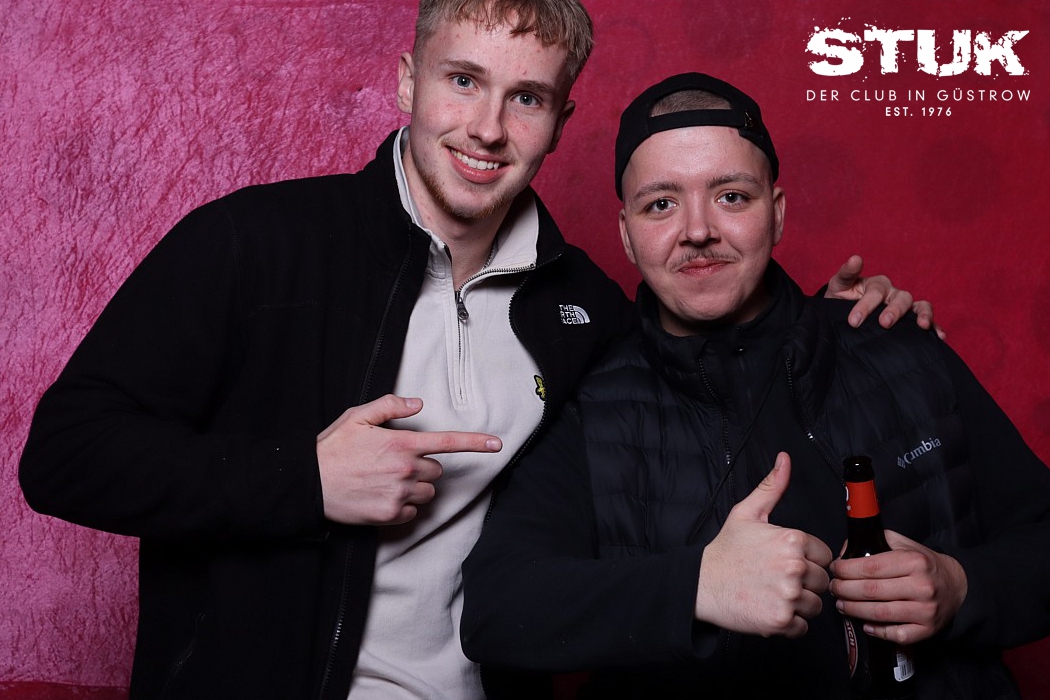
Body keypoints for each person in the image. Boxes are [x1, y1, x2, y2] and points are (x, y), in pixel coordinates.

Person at [19, 2, 928, 697]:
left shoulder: (585, 310)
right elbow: (63, 455)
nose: (488, 128)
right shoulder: (255, 244)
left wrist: (834, 324)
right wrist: (305, 479)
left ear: (561, 120)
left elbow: (708, 355)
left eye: (526, 97)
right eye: (462, 80)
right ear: (407, 81)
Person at [460, 72, 1050, 699]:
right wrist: (698, 587)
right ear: (627, 235)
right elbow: (497, 611)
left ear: (777, 212)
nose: (698, 230)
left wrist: (961, 588)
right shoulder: (591, 408)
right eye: (661, 204)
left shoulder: (898, 346)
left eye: (732, 196)